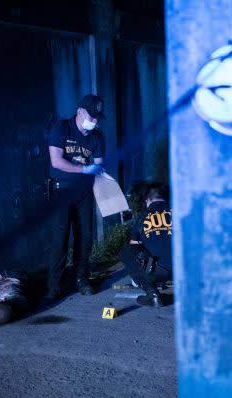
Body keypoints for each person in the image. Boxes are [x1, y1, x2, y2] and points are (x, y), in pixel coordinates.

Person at [45, 94, 106, 299]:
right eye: (92, 116)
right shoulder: (61, 128)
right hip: (61, 191)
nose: (95, 121)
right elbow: (56, 161)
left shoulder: (96, 137)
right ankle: (54, 287)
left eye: (98, 117)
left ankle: (81, 279)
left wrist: (96, 170)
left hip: (84, 194)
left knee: (85, 238)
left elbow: (99, 164)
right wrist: (84, 169)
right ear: (80, 111)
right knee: (59, 240)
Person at [120, 183, 173, 307]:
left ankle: (153, 295)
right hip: (184, 269)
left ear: (147, 200)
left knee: (127, 251)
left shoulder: (141, 218)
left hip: (159, 271)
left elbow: (134, 248)